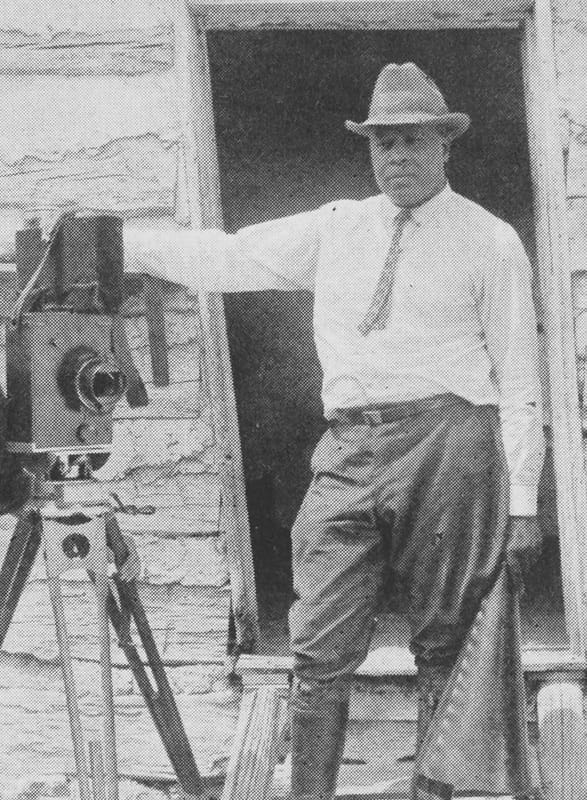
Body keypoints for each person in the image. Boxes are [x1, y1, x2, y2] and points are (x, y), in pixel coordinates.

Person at [2, 62, 545, 796]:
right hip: (350, 447)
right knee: (319, 643)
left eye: (413, 141)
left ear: (446, 146)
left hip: (448, 443)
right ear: (369, 151)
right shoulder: (336, 228)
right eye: (383, 144)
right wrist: (118, 240)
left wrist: (521, 504)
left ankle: (432, 793)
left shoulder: (489, 241)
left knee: (444, 641)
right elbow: (230, 255)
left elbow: (518, 384)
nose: (397, 158)